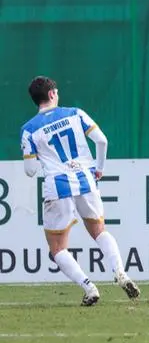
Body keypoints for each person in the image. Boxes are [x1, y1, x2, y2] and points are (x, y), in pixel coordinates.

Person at [20, 76, 141, 306]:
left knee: (57, 249)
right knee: (99, 231)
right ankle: (120, 272)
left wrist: (40, 159)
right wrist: (99, 169)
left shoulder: (28, 130)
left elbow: (29, 171)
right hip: (85, 178)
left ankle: (89, 287)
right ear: (53, 94)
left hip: (58, 186)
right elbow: (102, 141)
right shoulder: (75, 113)